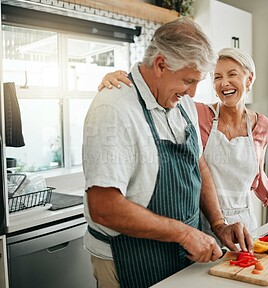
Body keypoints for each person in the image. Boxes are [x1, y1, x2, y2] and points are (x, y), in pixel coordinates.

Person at [82, 18, 253, 288]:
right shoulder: (114, 109)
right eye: (188, 80)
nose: (193, 92)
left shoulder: (182, 101)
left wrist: (219, 224)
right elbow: (104, 207)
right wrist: (184, 233)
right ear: (161, 65)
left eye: (198, 82)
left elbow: (199, 165)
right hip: (130, 258)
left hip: (180, 253)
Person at [99, 47, 268, 241]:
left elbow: (257, 174)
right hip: (204, 225)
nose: (224, 83)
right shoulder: (198, 113)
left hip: (245, 225)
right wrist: (120, 80)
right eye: (217, 77)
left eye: (232, 74)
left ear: (249, 79)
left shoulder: (261, 125)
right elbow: (158, 96)